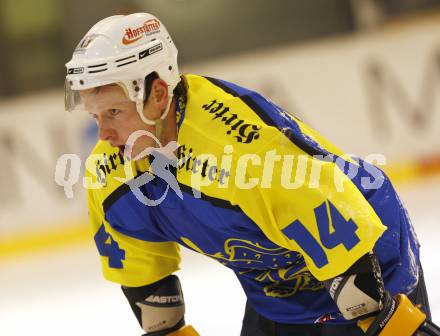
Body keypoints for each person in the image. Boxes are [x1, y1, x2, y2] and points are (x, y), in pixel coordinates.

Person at [65, 12, 438, 336]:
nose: (104, 136)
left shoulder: (246, 152)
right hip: (278, 294)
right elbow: (155, 307)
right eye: (95, 116)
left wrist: (388, 320)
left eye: (114, 113)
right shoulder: (109, 173)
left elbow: (356, 280)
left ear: (159, 95)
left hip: (368, 254)